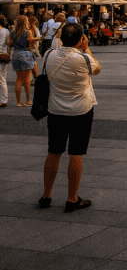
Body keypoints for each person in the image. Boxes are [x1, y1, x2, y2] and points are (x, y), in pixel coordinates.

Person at [40, 21, 101, 212]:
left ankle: (46, 195)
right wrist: (87, 47)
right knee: (75, 153)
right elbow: (97, 68)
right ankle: (72, 198)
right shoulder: (83, 59)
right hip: (81, 111)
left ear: (61, 38)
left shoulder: (49, 54)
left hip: (55, 110)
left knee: (54, 152)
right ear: (80, 39)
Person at [10, 14, 38, 107]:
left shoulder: (12, 32)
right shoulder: (28, 32)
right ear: (25, 22)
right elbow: (31, 40)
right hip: (25, 53)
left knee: (18, 78)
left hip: (15, 54)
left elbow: (10, 43)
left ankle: (18, 102)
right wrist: (37, 38)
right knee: (26, 79)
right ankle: (28, 100)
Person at [0, 18, 9, 108]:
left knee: (1, 79)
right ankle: (3, 99)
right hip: (3, 56)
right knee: (2, 78)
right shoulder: (6, 31)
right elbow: (8, 43)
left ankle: (3, 100)